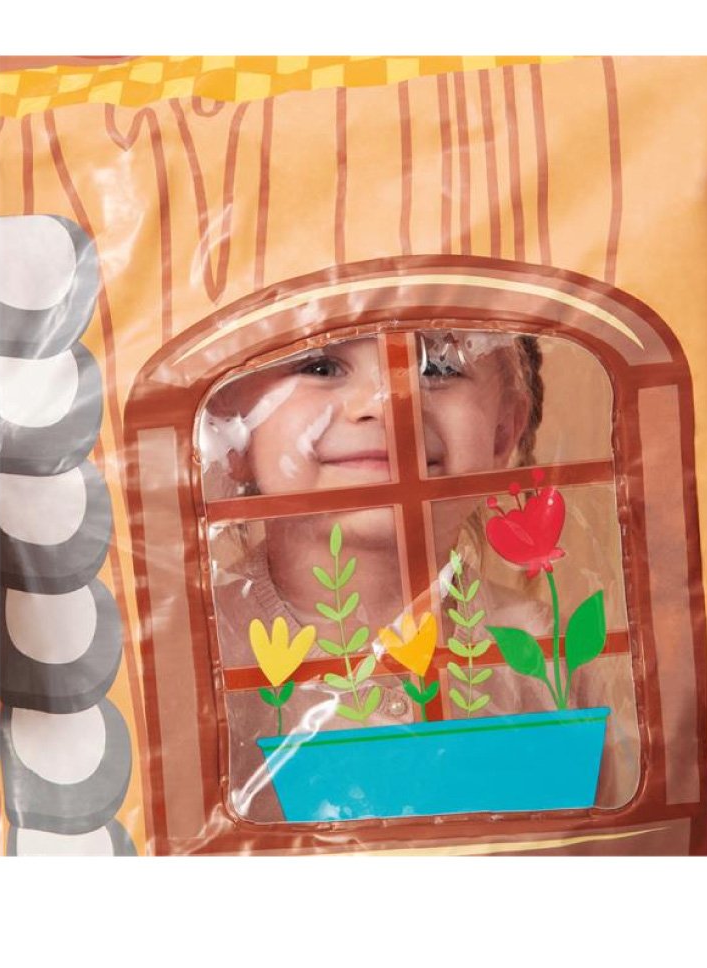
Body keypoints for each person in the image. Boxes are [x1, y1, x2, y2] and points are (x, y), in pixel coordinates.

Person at [199, 330, 636, 820]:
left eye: (437, 367)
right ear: (231, 436)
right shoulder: (194, 655)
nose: (386, 405)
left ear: (502, 434)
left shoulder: (551, 649)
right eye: (319, 367)